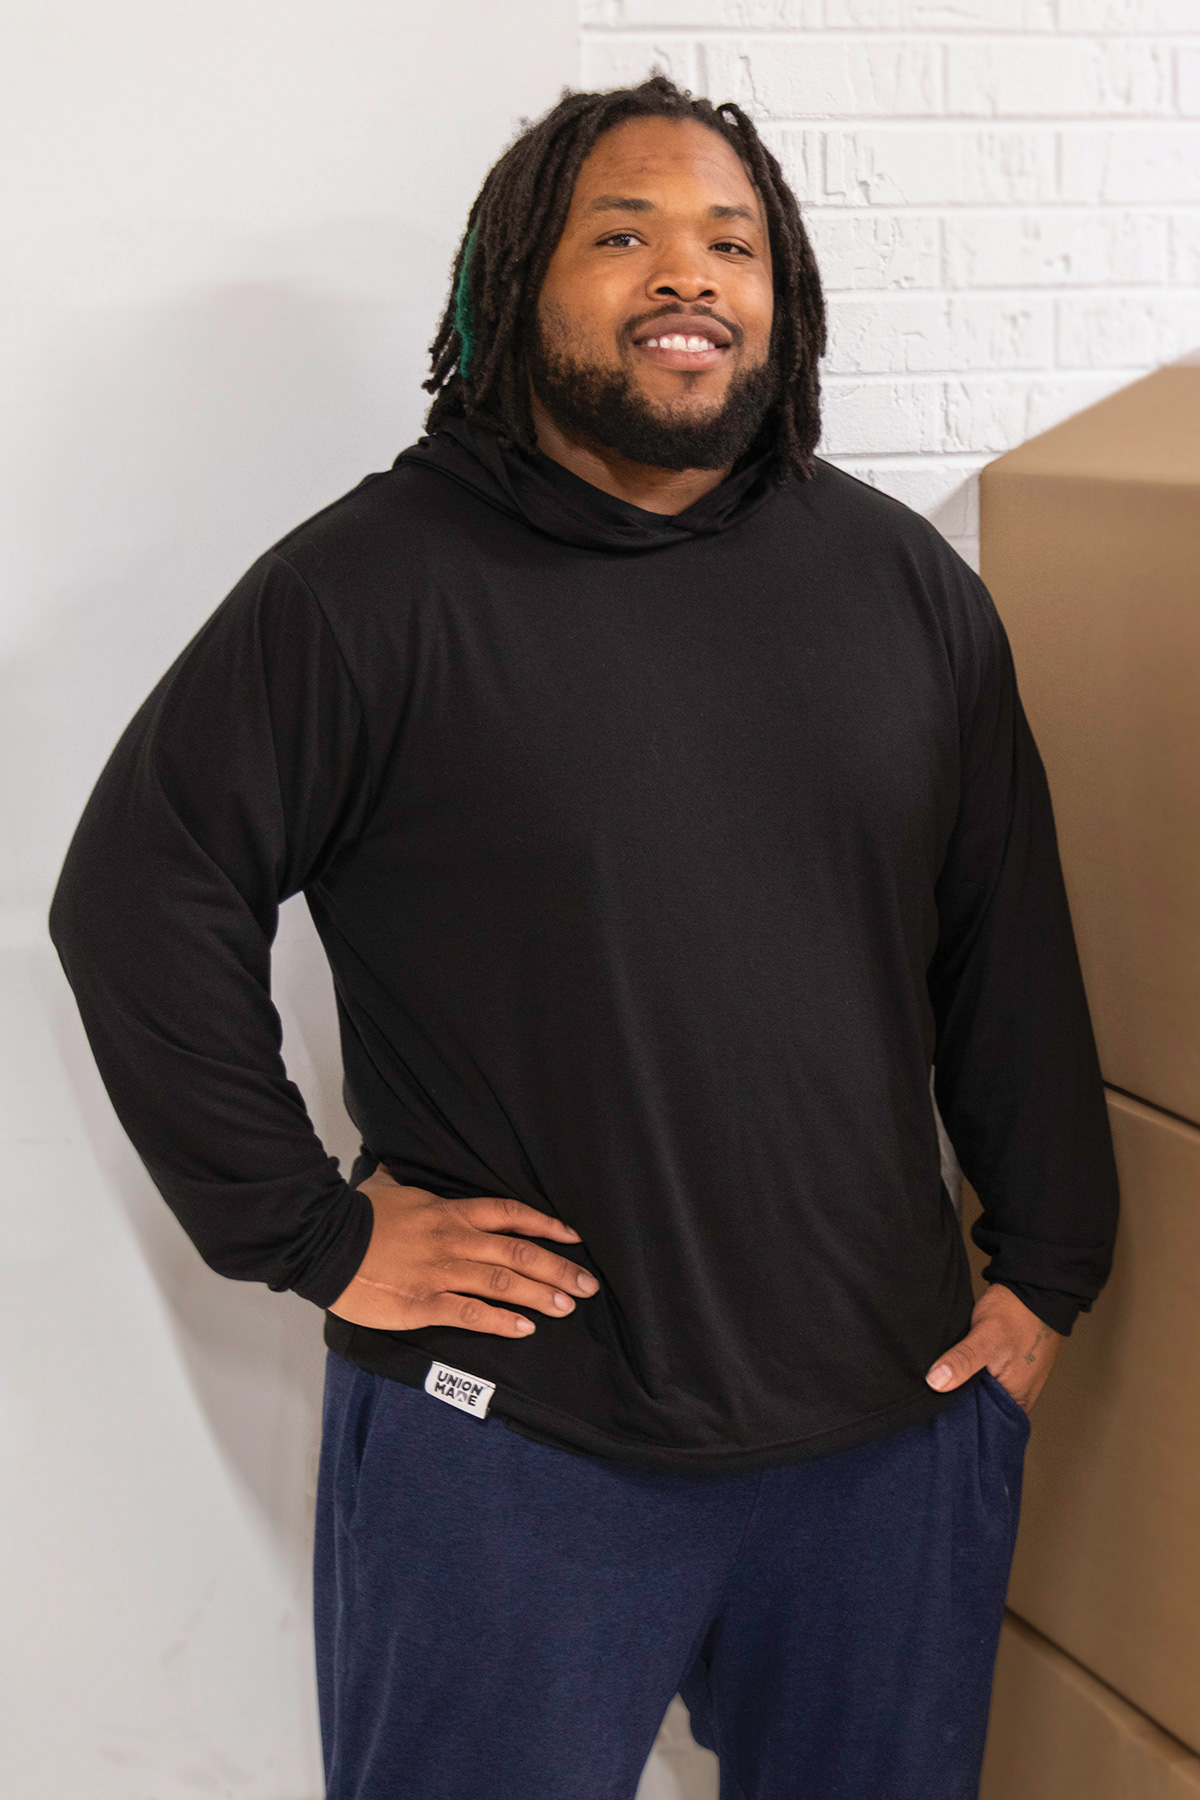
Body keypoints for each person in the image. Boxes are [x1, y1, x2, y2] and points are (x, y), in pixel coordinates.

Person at [50, 75, 1119, 1800]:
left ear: (784, 292)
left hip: (888, 1430)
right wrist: (310, 1234)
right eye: (622, 236)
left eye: (731, 243)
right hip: (515, 1450)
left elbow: (1004, 945)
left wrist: (1051, 1272)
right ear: (510, 291)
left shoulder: (903, 586)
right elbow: (137, 894)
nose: (688, 274)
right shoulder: (368, 588)